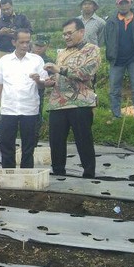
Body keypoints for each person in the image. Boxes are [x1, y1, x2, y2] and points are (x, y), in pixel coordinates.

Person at [34, 19, 100, 178]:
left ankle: (89, 173)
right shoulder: (61, 53)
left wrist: (59, 69)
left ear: (81, 32)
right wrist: (49, 81)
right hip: (58, 103)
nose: (66, 37)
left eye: (69, 33)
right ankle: (58, 172)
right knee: (55, 141)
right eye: (64, 34)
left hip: (81, 103)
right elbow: (59, 76)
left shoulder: (91, 50)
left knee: (83, 139)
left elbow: (86, 73)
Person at [0, 28, 47, 168]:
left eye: (27, 42)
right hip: (9, 109)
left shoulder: (37, 60)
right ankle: (8, 174)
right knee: (6, 145)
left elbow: (43, 86)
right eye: (21, 42)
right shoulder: (4, 61)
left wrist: (38, 80)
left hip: (30, 109)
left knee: (28, 146)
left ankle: (26, 176)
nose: (25, 45)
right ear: (14, 42)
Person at [104, 0, 134, 119]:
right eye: (120, 3)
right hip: (116, 60)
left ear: (131, 3)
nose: (123, 6)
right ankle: (116, 115)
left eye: (126, 3)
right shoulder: (111, 21)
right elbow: (107, 39)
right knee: (114, 90)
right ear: (117, 5)